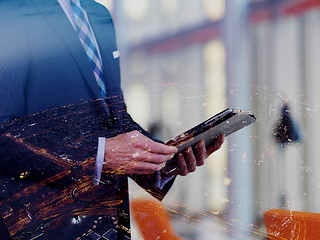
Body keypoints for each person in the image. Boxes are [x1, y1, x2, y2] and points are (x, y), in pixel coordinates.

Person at [0, 0, 224, 239]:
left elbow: (115, 118)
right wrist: (99, 154)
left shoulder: (99, 15)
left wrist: (161, 158)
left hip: (108, 222)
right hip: (39, 225)